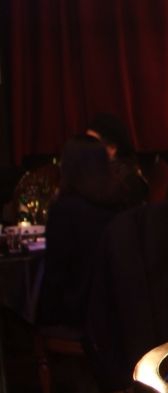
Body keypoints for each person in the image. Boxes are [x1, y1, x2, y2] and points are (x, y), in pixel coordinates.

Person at [36, 135, 120, 328]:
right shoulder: (118, 204)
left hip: (77, 312)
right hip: (114, 309)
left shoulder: (65, 211)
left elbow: (55, 274)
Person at [85, 112, 148, 209]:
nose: (85, 148)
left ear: (112, 148)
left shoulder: (126, 181)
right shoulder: (98, 172)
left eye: (93, 143)